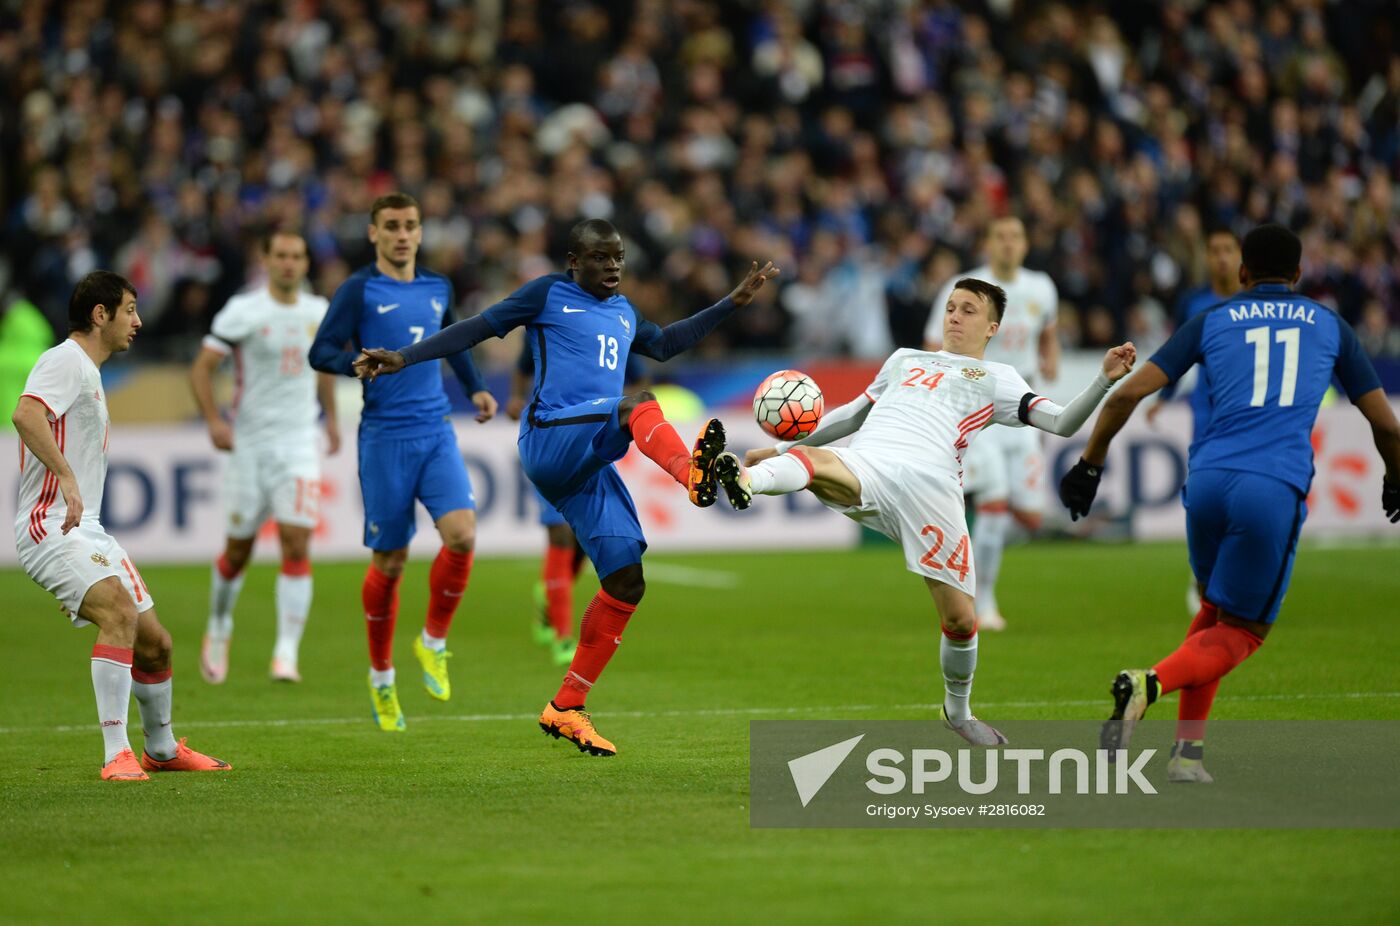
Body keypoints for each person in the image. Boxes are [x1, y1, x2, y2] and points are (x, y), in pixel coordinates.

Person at [355, 218, 778, 756]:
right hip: (550, 435)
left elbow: (668, 344)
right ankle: (690, 475)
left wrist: (731, 303)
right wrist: (404, 357)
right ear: (574, 261)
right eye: (601, 258)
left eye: (619, 257)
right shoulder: (548, 293)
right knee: (637, 404)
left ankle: (566, 706)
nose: (614, 267)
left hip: (587, 460)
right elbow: (479, 328)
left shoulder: (625, 313)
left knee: (627, 579)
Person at [716, 278, 1136, 745]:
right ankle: (745, 482)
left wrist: (1104, 379)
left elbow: (1061, 423)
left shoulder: (999, 379)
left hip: (932, 489)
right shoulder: (903, 359)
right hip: (870, 463)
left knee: (960, 620)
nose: (955, 316)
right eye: (951, 307)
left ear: (992, 327)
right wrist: (780, 448)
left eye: (969, 310)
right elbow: (851, 416)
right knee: (815, 464)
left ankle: (958, 713)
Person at [1059, 224, 1400, 782]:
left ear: (1242, 273)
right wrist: (1395, 478)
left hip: (1208, 483)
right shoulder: (1330, 325)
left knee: (1215, 611)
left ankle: (1187, 756)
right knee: (1243, 632)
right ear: (1298, 275)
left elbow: (1126, 394)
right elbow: (1386, 426)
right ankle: (1149, 684)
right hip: (1272, 486)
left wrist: (1089, 463)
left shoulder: (1212, 319)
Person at [11, 270, 231, 780]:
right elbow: (26, 415)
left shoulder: (88, 369)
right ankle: (117, 754)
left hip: (88, 526)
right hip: (50, 523)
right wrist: (64, 476)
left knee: (156, 643)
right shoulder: (66, 359)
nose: (138, 320)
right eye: (129, 310)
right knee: (117, 611)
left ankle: (162, 748)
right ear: (99, 314)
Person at [309, 192, 498, 733]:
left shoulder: (439, 286)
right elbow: (320, 351)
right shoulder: (358, 289)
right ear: (373, 233)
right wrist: (354, 363)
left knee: (462, 535)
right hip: (385, 439)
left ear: (420, 232)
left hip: (435, 430)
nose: (401, 234)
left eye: (410, 225)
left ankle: (433, 642)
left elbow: (455, 342)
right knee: (390, 564)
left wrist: (478, 389)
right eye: (391, 226)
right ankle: (381, 677)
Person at [189, 230, 339, 684]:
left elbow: (324, 368)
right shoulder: (244, 310)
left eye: (297, 255)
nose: (289, 263)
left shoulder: (320, 311)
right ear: (267, 259)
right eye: (281, 255)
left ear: (306, 263)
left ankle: (286, 653)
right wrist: (215, 420)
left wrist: (330, 418)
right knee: (238, 550)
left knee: (296, 543)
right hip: (249, 446)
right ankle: (219, 625)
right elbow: (201, 367)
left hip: (298, 445)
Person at [922, 216, 1059, 631]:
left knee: (1031, 515)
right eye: (999, 236)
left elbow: (1047, 331)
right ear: (988, 243)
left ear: (1025, 244)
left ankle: (967, 552)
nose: (1008, 244)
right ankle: (983, 600)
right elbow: (935, 341)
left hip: (1020, 407)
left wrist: (1050, 358)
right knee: (994, 503)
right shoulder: (967, 289)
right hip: (978, 410)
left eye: (1015, 236)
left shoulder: (1042, 287)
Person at [505, 343, 650, 667]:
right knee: (560, 535)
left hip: (593, 445)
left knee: (582, 544)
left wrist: (628, 420)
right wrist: (516, 398)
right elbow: (522, 366)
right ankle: (562, 638)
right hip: (551, 441)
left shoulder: (611, 330)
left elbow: (640, 378)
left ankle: (552, 593)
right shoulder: (551, 325)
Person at [1146, 228, 1241, 615]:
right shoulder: (1193, 302)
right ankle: (1201, 575)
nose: (1220, 257)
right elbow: (1178, 355)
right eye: (1214, 249)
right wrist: (1163, 397)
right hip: (1206, 410)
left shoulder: (1254, 302)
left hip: (1247, 411)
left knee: (1242, 496)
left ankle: (1236, 576)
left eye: (1228, 249)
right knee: (1207, 494)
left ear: (1240, 255)